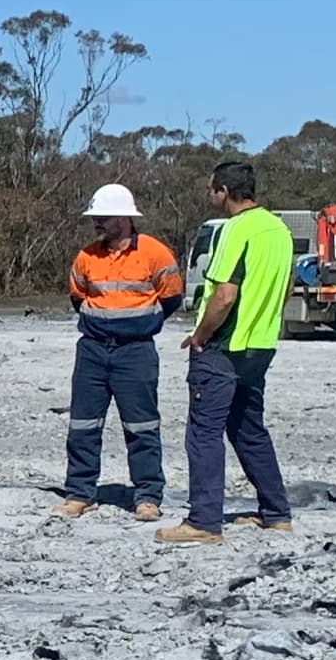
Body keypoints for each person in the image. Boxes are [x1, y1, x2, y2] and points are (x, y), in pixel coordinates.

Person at [160, 158, 296, 544]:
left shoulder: (235, 230)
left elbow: (224, 294)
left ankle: (203, 522)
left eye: (211, 189)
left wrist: (200, 335)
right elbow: (286, 288)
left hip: (224, 346)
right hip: (261, 346)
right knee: (249, 429)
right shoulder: (280, 230)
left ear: (223, 191)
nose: (209, 195)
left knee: (203, 432)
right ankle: (277, 513)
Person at [56, 183, 181, 520]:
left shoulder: (155, 254)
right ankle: (80, 492)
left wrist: (139, 325)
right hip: (93, 351)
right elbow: (77, 297)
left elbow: (171, 299)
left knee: (142, 426)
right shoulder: (86, 256)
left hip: (135, 353)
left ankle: (148, 496)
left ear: (125, 218)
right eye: (95, 217)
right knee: (83, 425)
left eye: (104, 217)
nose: (97, 222)